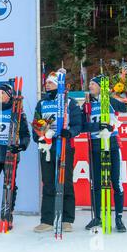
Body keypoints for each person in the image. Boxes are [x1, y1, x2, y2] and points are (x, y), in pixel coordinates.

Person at [81, 74, 127, 233]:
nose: (90, 86)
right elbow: (81, 126)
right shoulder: (87, 104)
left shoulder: (111, 100)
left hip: (111, 145)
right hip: (95, 146)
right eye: (89, 83)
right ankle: (97, 217)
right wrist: (97, 126)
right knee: (96, 183)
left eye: (93, 84)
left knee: (116, 182)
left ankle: (118, 218)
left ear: (100, 87)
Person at [32, 70, 82, 233]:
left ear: (59, 85)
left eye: (51, 82)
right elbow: (36, 123)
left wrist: (70, 132)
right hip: (46, 146)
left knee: (65, 181)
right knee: (47, 182)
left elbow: (77, 124)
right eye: (46, 82)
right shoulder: (42, 103)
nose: (47, 84)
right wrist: (38, 135)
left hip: (65, 145)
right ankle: (47, 219)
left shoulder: (70, 102)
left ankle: (67, 219)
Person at [0, 83, 30, 230]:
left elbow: (26, 135)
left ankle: (9, 215)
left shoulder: (18, 112)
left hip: (10, 154)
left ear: (9, 95)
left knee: (10, 187)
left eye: (2, 93)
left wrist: (21, 146)